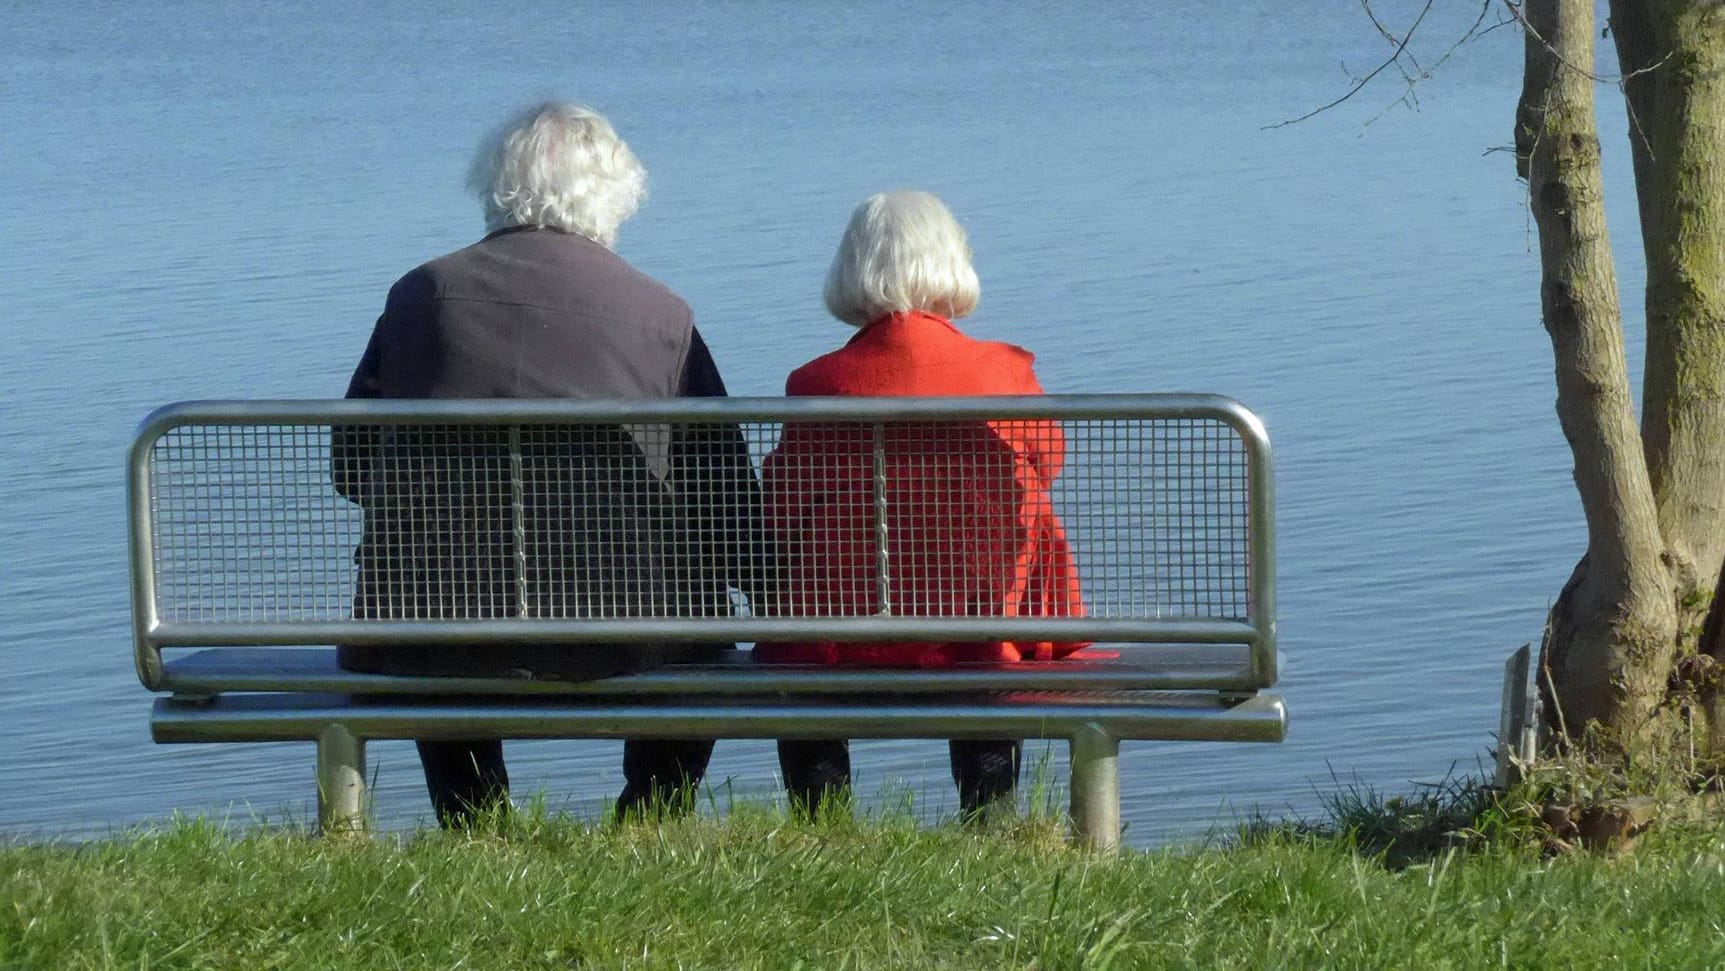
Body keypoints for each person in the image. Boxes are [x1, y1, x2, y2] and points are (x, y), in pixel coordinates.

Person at [332, 102, 768, 826]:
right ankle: (651, 820)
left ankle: (476, 822)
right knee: (702, 627)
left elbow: (352, 467)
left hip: (434, 629)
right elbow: (718, 491)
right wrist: (772, 590)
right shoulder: (661, 314)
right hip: (629, 629)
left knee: (430, 605)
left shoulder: (419, 298)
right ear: (615, 192)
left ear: (495, 185)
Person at [757, 190, 1086, 821]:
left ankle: (823, 826)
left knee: (802, 627)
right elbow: (1049, 464)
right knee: (1001, 577)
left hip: (841, 635)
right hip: (980, 628)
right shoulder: (1003, 371)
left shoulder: (815, 383)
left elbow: (783, 506)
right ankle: (989, 819)